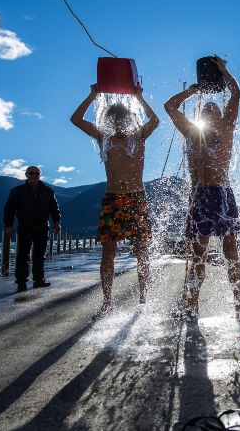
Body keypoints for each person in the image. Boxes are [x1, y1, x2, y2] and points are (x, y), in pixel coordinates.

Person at [164, 56, 240, 320]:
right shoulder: (191, 132)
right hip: (199, 197)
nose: (210, 109)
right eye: (206, 108)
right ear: (201, 115)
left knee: (230, 251)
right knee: (198, 255)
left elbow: (236, 94)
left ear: (221, 114)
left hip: (221, 194)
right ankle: (191, 305)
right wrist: (192, 91)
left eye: (214, 107)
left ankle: (239, 305)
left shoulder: (226, 127)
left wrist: (223, 71)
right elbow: (170, 106)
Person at [70, 84, 159, 319]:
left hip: (136, 198)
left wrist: (139, 97)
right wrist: (92, 94)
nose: (119, 124)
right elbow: (76, 119)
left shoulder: (138, 136)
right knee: (108, 251)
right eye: (115, 120)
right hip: (113, 200)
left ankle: (143, 299)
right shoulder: (104, 138)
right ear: (110, 121)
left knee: (142, 251)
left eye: (123, 119)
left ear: (129, 120)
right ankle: (107, 303)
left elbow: (155, 120)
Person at [4, 166, 61, 292]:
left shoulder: (48, 191)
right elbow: (9, 209)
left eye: (37, 173)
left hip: (42, 227)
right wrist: (8, 225)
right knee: (22, 255)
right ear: (26, 174)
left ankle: (39, 280)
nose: (34, 175)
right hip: (25, 227)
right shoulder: (17, 191)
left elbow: (54, 209)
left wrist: (57, 223)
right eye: (31, 173)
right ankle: (21, 282)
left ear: (40, 175)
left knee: (39, 255)